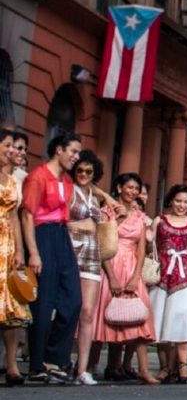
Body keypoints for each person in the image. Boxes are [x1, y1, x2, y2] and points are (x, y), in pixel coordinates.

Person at [19, 132, 82, 383]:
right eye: (73, 152)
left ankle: (54, 357)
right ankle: (36, 365)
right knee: (43, 303)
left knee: (73, 299)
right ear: (59, 149)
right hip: (42, 235)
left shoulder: (66, 180)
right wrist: (33, 252)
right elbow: (27, 215)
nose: (76, 157)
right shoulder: (38, 176)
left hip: (61, 236)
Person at [92, 173, 159, 385]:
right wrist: (111, 276)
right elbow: (102, 245)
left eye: (136, 189)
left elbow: (142, 249)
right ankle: (89, 366)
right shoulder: (106, 211)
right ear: (119, 188)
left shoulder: (139, 215)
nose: (132, 192)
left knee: (140, 318)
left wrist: (136, 276)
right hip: (110, 262)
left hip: (132, 265)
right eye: (128, 187)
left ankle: (144, 370)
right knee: (102, 316)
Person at [67, 150, 119, 385]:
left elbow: (97, 191)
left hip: (92, 249)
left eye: (89, 171)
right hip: (70, 244)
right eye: (80, 170)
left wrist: (107, 197)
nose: (84, 174)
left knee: (88, 311)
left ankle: (82, 368)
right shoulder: (68, 189)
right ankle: (61, 360)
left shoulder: (93, 194)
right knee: (68, 308)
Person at [150, 184, 187, 383]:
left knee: (182, 319)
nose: (182, 205)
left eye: (186, 202)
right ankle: (165, 367)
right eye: (178, 201)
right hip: (162, 274)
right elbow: (149, 245)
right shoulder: (159, 220)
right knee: (161, 320)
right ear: (171, 201)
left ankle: (182, 367)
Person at [1, 129, 31, 385]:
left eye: (13, 146)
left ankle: (12, 365)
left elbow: (14, 217)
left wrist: (20, 250)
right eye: (8, 145)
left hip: (7, 245)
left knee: (10, 305)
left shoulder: (11, 181)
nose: (12, 150)